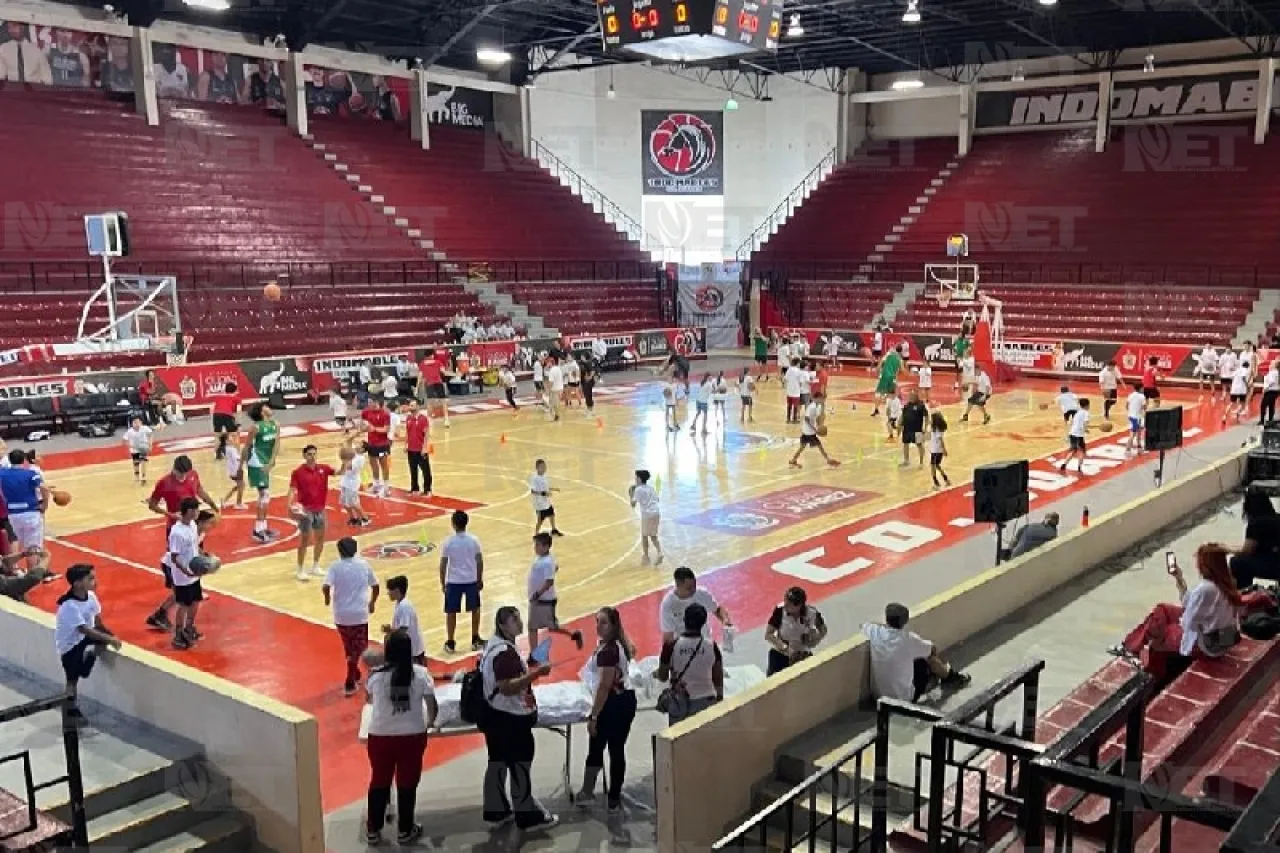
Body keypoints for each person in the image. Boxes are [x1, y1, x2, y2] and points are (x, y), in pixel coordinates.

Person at [1110, 544, 1242, 682]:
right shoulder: (1226, 582)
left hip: (1208, 643)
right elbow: (1191, 605)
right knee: (1163, 609)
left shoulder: (1205, 589)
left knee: (1159, 633)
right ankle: (1132, 648)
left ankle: (1151, 672)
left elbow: (1188, 622)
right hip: (1223, 637)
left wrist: (1176, 622)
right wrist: (1179, 578)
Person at [481, 607, 559, 832]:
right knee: (520, 765)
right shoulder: (504, 652)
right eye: (512, 619)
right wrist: (536, 674)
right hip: (510, 718)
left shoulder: (494, 645)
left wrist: (528, 665)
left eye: (518, 617)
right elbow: (507, 687)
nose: (518, 621)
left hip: (495, 715)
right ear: (502, 626)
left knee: (497, 762)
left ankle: (496, 811)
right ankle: (527, 815)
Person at [363, 630, 436, 846]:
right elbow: (432, 705)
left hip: (380, 736)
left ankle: (373, 829)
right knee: (407, 783)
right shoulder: (421, 674)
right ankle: (405, 829)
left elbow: (368, 698)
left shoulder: (375, 676)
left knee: (379, 781)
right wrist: (430, 722)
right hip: (412, 737)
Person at [145, 456, 219, 631]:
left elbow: (199, 490)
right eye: (180, 473)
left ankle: (191, 588)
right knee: (181, 584)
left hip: (190, 524)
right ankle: (166, 617)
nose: (182, 477)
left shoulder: (192, 476)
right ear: (174, 468)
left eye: (185, 474)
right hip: (177, 527)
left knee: (195, 556)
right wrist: (171, 515)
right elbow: (152, 505)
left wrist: (211, 504)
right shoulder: (164, 483)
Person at [578, 606, 638, 812]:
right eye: (597, 621)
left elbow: (604, 685)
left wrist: (594, 716)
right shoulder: (615, 644)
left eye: (603, 622)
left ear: (613, 626)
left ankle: (589, 792)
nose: (598, 626)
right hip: (624, 700)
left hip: (613, 704)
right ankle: (613, 796)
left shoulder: (609, 651)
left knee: (599, 747)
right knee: (614, 749)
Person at [864, 603, 971, 703]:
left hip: (878, 696)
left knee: (913, 656)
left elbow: (869, 625)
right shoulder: (909, 639)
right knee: (928, 659)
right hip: (902, 699)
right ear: (905, 621)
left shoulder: (875, 633)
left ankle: (942, 674)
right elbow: (932, 649)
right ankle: (949, 676)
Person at [54, 565, 120, 727]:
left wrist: (109, 636)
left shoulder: (91, 597)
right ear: (77, 583)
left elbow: (97, 622)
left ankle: (89, 658)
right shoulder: (69, 606)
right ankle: (70, 709)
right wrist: (110, 639)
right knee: (72, 680)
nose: (95, 581)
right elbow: (84, 629)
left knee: (100, 642)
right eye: (90, 578)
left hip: (84, 638)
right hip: (70, 644)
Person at [323, 537, 380, 697]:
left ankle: (354, 672)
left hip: (341, 614)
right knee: (360, 648)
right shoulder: (363, 565)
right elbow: (375, 586)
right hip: (359, 614)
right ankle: (350, 678)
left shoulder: (335, 567)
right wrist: (372, 602)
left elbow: (326, 586)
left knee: (349, 647)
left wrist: (327, 599)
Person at [656, 604, 723, 725]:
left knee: (678, 741)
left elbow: (663, 676)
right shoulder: (711, 646)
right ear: (703, 623)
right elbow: (718, 677)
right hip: (706, 701)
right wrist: (719, 698)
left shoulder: (671, 646)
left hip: (679, 702)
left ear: (684, 620)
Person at [526, 531, 584, 658]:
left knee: (540, 627)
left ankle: (534, 655)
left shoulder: (546, 562)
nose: (535, 548)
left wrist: (537, 594)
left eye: (537, 545)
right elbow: (555, 567)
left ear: (546, 547)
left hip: (542, 600)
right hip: (540, 600)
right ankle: (533, 654)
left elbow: (549, 582)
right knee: (537, 627)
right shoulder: (545, 559)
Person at [287, 445, 336, 582]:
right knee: (304, 540)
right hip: (306, 511)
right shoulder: (298, 472)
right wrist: (289, 505)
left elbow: (340, 471)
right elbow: (292, 490)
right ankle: (300, 569)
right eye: (309, 454)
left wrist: (346, 459)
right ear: (304, 456)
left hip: (320, 509)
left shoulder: (324, 469)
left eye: (314, 454)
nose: (312, 456)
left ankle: (315, 566)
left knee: (320, 539)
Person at [439, 510, 484, 654]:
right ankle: (475, 639)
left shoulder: (448, 542)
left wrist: (442, 582)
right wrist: (479, 578)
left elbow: (443, 564)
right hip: (471, 580)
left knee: (451, 612)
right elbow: (479, 561)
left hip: (453, 581)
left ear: (453, 524)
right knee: (475, 610)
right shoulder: (474, 540)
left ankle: (451, 642)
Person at [0, 449, 50, 576]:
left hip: (11, 514)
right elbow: (44, 488)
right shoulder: (30, 473)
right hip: (30, 513)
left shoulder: (2, 473)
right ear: (24, 460)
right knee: (32, 546)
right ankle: (32, 575)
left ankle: (14, 570)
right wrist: (44, 504)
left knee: (14, 542)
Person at [165, 498, 207, 650]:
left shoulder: (193, 525)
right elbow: (174, 558)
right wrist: (186, 572)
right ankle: (178, 634)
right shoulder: (177, 532)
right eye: (195, 509)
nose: (197, 512)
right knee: (183, 605)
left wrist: (204, 557)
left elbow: (195, 546)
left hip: (194, 573)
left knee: (195, 602)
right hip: (183, 577)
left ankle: (189, 628)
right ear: (188, 511)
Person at [659, 566, 733, 646]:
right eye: (689, 588)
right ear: (678, 586)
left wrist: (725, 620)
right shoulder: (668, 605)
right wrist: (668, 656)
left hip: (705, 643)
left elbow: (717, 610)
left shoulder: (702, 594)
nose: (693, 590)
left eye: (694, 585)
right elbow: (668, 636)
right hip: (683, 648)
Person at [240, 403, 280, 544]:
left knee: (264, 495)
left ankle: (263, 528)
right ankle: (258, 531)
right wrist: (240, 466)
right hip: (256, 462)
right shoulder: (255, 427)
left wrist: (272, 461)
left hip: (266, 462)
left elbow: (276, 444)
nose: (270, 408)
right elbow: (247, 447)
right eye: (266, 406)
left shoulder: (275, 424)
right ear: (262, 411)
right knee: (265, 495)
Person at [764, 587, 827, 675]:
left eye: (789, 604)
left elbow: (823, 630)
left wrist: (814, 641)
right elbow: (768, 634)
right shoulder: (780, 610)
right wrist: (785, 648)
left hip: (802, 654)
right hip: (781, 654)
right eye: (785, 601)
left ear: (799, 606)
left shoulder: (812, 613)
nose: (785, 605)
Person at [1228, 490, 1280, 590]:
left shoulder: (1256, 523)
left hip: (1275, 565)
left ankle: (1243, 594)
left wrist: (1226, 549)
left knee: (1237, 562)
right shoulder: (1276, 517)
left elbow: (1247, 550)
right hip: (1274, 558)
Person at [790, 389, 841, 469]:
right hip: (808, 431)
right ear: (815, 399)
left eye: (822, 399)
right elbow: (806, 419)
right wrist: (815, 429)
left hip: (810, 431)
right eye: (820, 399)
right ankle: (828, 460)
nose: (822, 400)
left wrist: (823, 407)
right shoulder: (811, 407)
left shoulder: (818, 406)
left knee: (802, 447)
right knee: (819, 445)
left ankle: (793, 460)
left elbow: (820, 416)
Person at [384, 575, 425, 665]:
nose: (388, 593)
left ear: (397, 591)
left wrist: (389, 630)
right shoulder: (401, 604)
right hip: (409, 649)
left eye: (390, 590)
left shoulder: (404, 606)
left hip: (412, 652)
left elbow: (403, 630)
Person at [360, 398, 394, 497]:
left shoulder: (385, 414)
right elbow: (362, 425)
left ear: (376, 402)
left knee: (384, 465)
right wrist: (363, 428)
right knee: (373, 464)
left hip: (382, 445)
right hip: (371, 444)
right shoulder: (365, 412)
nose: (369, 404)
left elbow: (386, 429)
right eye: (368, 402)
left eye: (371, 402)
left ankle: (386, 488)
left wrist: (374, 429)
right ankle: (376, 485)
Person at [630, 469, 663, 566]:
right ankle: (660, 552)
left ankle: (646, 556)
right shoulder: (651, 488)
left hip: (647, 515)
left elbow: (633, 504)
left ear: (639, 479)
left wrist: (631, 496)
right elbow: (657, 499)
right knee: (653, 536)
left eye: (636, 477)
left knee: (644, 536)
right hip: (656, 513)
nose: (635, 479)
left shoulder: (637, 489)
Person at [400, 401, 432, 497]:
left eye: (412, 405)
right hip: (411, 449)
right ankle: (414, 488)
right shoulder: (409, 418)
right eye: (410, 405)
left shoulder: (423, 419)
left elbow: (426, 434)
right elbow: (407, 432)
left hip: (420, 449)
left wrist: (424, 447)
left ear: (418, 406)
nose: (410, 407)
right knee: (413, 470)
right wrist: (405, 444)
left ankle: (427, 490)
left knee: (425, 470)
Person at [1058, 398, 1092, 475]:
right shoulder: (1086, 413)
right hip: (1079, 435)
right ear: (1087, 405)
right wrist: (1086, 429)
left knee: (1073, 450)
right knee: (1081, 451)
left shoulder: (1077, 413)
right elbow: (1085, 423)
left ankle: (1064, 464)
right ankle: (1079, 467)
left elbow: (1073, 423)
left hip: (1072, 433)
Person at [872, 346, 903, 417]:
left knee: (879, 393)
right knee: (893, 394)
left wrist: (877, 370)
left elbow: (880, 363)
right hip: (892, 377)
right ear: (901, 351)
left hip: (884, 376)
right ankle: (893, 411)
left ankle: (877, 409)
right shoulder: (899, 358)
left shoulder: (888, 354)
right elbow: (901, 369)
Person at [900, 390, 928, 468]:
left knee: (919, 445)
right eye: (910, 396)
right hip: (907, 429)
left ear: (916, 397)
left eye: (912, 396)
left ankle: (921, 462)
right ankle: (906, 461)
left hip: (917, 429)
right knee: (905, 444)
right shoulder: (906, 406)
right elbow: (903, 416)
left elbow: (927, 417)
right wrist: (900, 426)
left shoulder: (921, 405)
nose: (910, 397)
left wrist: (925, 428)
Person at [123, 416, 153, 485]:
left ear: (141, 423)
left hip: (143, 448)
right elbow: (125, 440)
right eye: (134, 422)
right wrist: (131, 446)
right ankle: (137, 476)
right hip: (134, 450)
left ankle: (144, 477)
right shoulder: (129, 431)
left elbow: (150, 435)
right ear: (132, 424)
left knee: (143, 462)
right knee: (136, 463)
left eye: (138, 422)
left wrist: (150, 445)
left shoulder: (145, 428)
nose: (136, 424)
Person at [929, 411, 951, 489]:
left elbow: (941, 440)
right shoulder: (936, 427)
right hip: (937, 450)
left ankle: (936, 482)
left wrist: (944, 450)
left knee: (932, 465)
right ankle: (946, 478)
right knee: (937, 465)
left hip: (936, 450)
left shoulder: (937, 429)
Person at [1125, 382, 1148, 455]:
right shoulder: (1142, 397)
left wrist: (1131, 411)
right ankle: (1128, 449)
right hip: (1137, 417)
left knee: (1138, 432)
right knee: (1133, 434)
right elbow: (1145, 407)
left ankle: (1139, 448)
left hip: (1131, 416)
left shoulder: (1130, 395)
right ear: (1141, 388)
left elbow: (1126, 406)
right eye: (1143, 388)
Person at [1261, 360, 1280, 426]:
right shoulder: (1275, 372)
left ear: (1275, 365)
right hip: (1275, 391)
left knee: (1263, 405)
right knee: (1271, 405)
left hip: (1271, 391)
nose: (1270, 365)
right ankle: (1270, 420)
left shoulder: (1273, 372)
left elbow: (1271, 382)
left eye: (1271, 364)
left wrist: (1265, 388)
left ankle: (1262, 420)